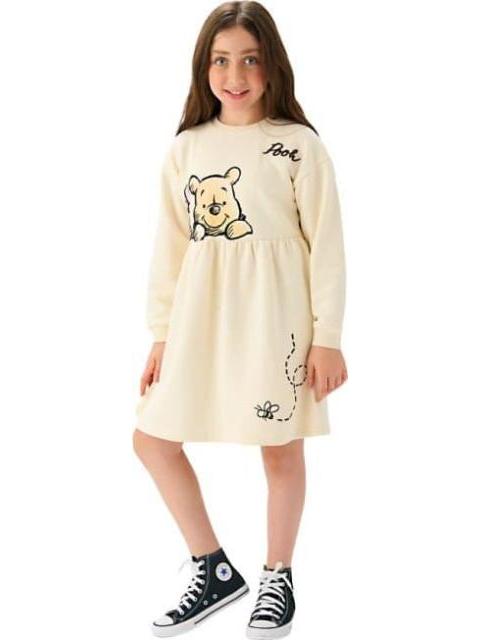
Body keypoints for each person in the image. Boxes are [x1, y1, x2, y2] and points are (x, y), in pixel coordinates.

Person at [132, 1, 348, 637]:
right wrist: (162, 335)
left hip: (276, 320)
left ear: (272, 65)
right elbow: (170, 249)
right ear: (203, 69)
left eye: (250, 60)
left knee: (279, 448)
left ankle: (278, 574)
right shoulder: (187, 149)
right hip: (199, 318)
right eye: (221, 60)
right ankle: (214, 569)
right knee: (152, 439)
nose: (235, 75)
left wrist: (327, 338)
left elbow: (326, 247)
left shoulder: (299, 147)